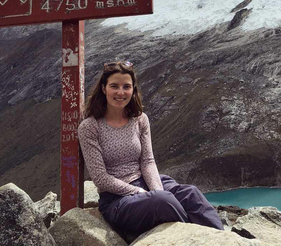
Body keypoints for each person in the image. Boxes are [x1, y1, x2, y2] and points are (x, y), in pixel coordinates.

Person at [78, 61, 223, 239]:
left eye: (126, 86)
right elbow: (101, 179)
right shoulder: (90, 127)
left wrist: (156, 190)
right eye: (114, 86)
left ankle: (224, 239)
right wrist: (140, 192)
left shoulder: (140, 119)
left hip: (147, 182)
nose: (121, 92)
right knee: (164, 202)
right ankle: (192, 239)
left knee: (190, 193)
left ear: (133, 89)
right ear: (103, 88)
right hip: (117, 199)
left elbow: (147, 161)